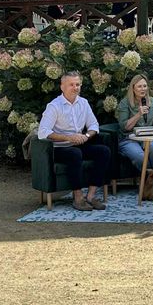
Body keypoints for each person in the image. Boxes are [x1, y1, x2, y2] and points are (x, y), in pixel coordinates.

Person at [37, 71, 110, 211]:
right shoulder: (54, 106)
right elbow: (43, 132)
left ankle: (90, 196)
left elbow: (94, 125)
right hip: (59, 148)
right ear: (62, 87)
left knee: (103, 151)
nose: (75, 87)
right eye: (71, 84)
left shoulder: (83, 103)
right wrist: (69, 138)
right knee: (75, 153)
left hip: (80, 143)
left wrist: (86, 136)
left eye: (78, 84)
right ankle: (78, 198)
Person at [116, 74, 153, 188]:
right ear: (133, 88)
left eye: (145, 86)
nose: (143, 89)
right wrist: (138, 114)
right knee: (141, 157)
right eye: (139, 86)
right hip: (128, 139)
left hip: (148, 137)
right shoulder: (125, 103)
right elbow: (124, 127)